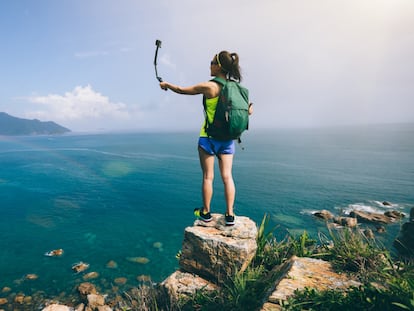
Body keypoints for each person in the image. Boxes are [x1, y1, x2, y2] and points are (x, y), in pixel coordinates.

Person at [160, 51, 252, 226]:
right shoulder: (237, 89)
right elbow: (247, 111)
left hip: (208, 139)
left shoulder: (210, 87)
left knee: (208, 177)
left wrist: (167, 85)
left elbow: (181, 90)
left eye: (211, 62)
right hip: (228, 140)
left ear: (219, 66)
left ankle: (206, 213)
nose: (209, 65)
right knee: (227, 176)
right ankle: (230, 215)